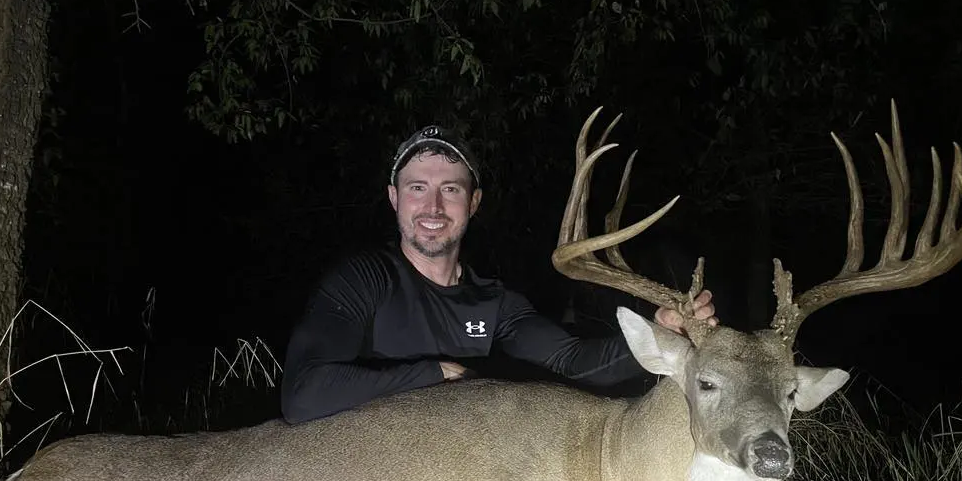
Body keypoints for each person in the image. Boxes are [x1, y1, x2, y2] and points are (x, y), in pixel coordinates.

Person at [280, 125, 716, 424]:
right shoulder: (366, 280)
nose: (433, 208)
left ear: (473, 202)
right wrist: (433, 374)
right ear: (394, 198)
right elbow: (303, 397)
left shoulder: (493, 304)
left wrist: (659, 331)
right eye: (417, 188)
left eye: (450, 190)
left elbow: (577, 363)